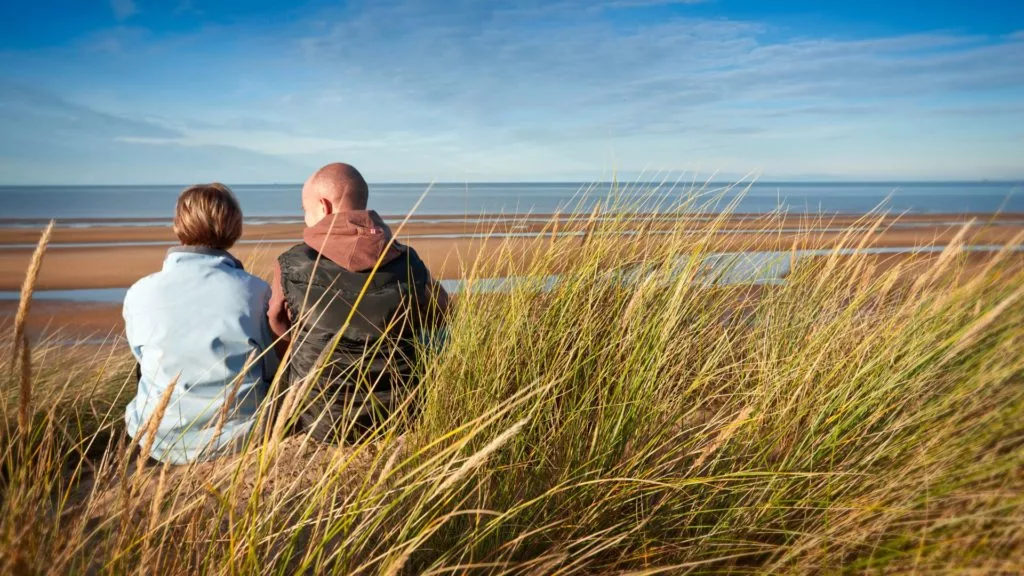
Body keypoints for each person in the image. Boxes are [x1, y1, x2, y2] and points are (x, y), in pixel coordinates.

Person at [268, 163, 448, 443]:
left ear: (324, 207)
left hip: (319, 422)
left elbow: (276, 324)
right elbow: (441, 315)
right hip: (400, 415)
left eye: (306, 210)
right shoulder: (408, 261)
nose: (305, 218)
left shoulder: (291, 264)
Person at [123, 183, 277, 464]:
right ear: (234, 227)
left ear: (178, 226)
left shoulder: (141, 292)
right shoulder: (254, 292)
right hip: (238, 438)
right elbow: (271, 367)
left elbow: (141, 360)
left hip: (156, 437)